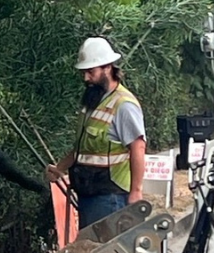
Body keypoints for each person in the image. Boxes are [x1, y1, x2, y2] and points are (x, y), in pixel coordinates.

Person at [46, 37, 146, 227]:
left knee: (103, 252)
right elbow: (82, 150)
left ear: (107, 67)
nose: (86, 78)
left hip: (110, 196)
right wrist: (60, 168)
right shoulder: (93, 102)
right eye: (84, 72)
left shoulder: (124, 105)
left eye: (90, 72)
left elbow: (138, 147)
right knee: (90, 250)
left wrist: (136, 191)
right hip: (89, 193)